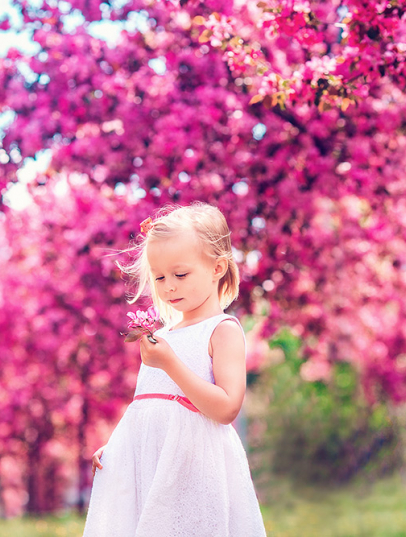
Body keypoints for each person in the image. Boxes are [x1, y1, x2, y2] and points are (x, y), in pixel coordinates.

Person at [82, 203, 267, 536]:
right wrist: (120, 446)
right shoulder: (161, 337)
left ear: (217, 268)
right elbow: (147, 407)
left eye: (180, 275)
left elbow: (226, 408)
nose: (168, 286)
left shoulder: (221, 330)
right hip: (151, 465)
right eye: (160, 277)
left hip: (192, 467)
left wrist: (170, 363)